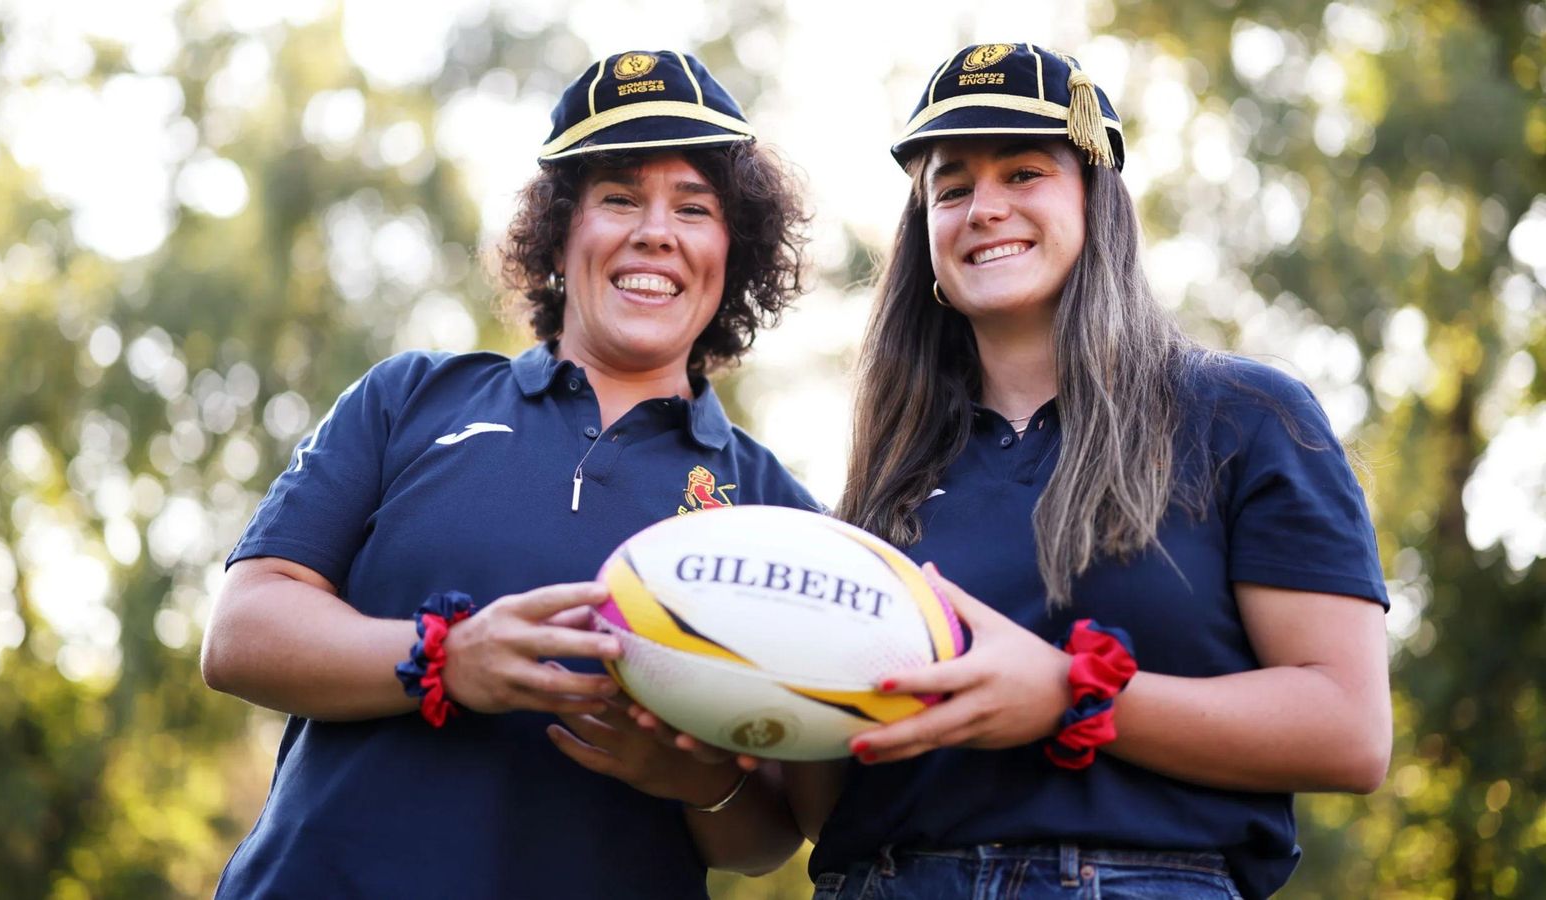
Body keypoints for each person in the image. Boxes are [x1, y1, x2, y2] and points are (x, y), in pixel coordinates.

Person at [201, 49, 818, 899]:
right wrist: (444, 659)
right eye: (618, 198)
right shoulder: (410, 398)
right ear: (560, 235)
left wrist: (692, 780)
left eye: (694, 207)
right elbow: (240, 636)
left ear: (733, 249)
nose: (656, 232)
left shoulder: (779, 513)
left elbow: (771, 835)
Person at [796, 43, 1392, 899]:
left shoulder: (1244, 418)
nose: (984, 209)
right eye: (951, 189)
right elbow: (829, 799)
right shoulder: (878, 479)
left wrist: (1070, 695)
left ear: (1095, 200)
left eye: (1024, 173)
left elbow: (1349, 732)